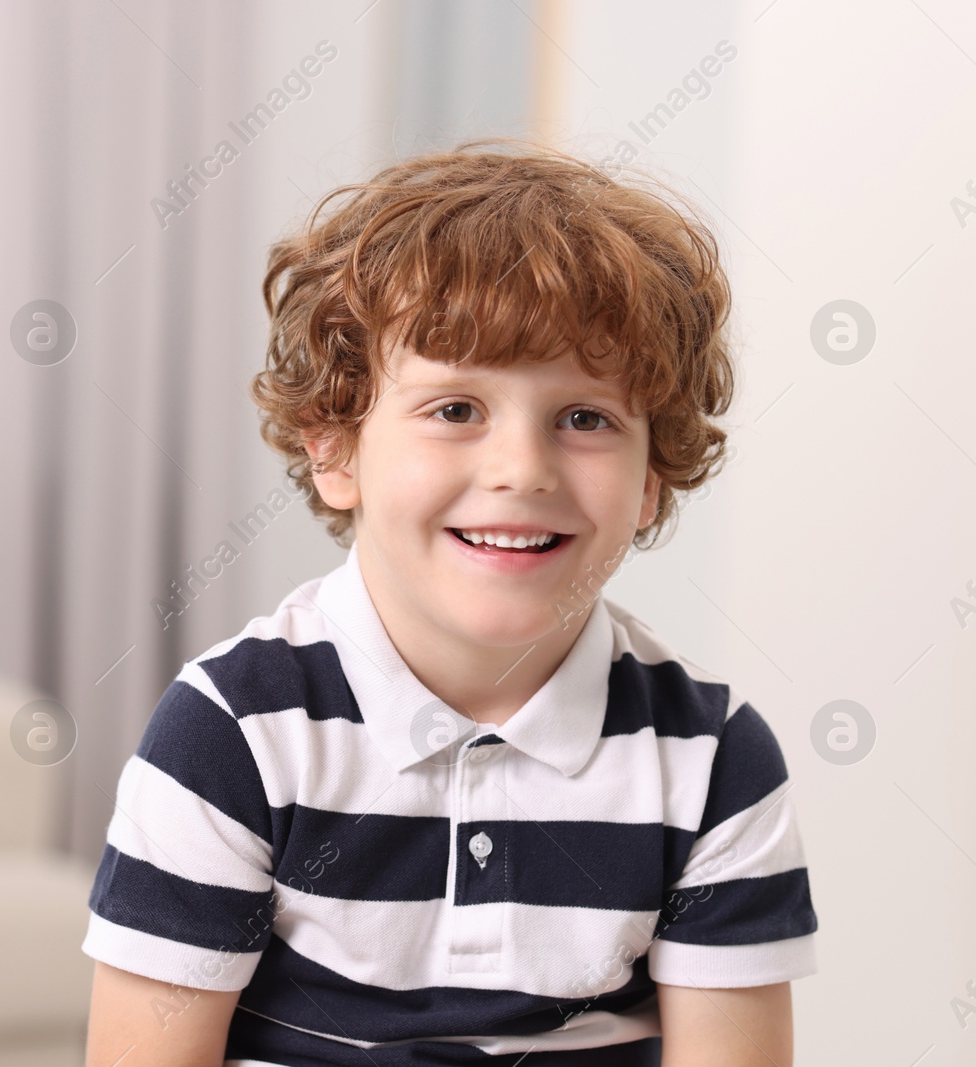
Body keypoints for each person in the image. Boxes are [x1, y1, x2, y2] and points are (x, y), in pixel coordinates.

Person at [81, 141, 817, 1067]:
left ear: (650, 482)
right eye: (456, 409)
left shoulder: (711, 758)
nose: (521, 470)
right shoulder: (233, 732)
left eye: (585, 417)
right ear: (335, 450)